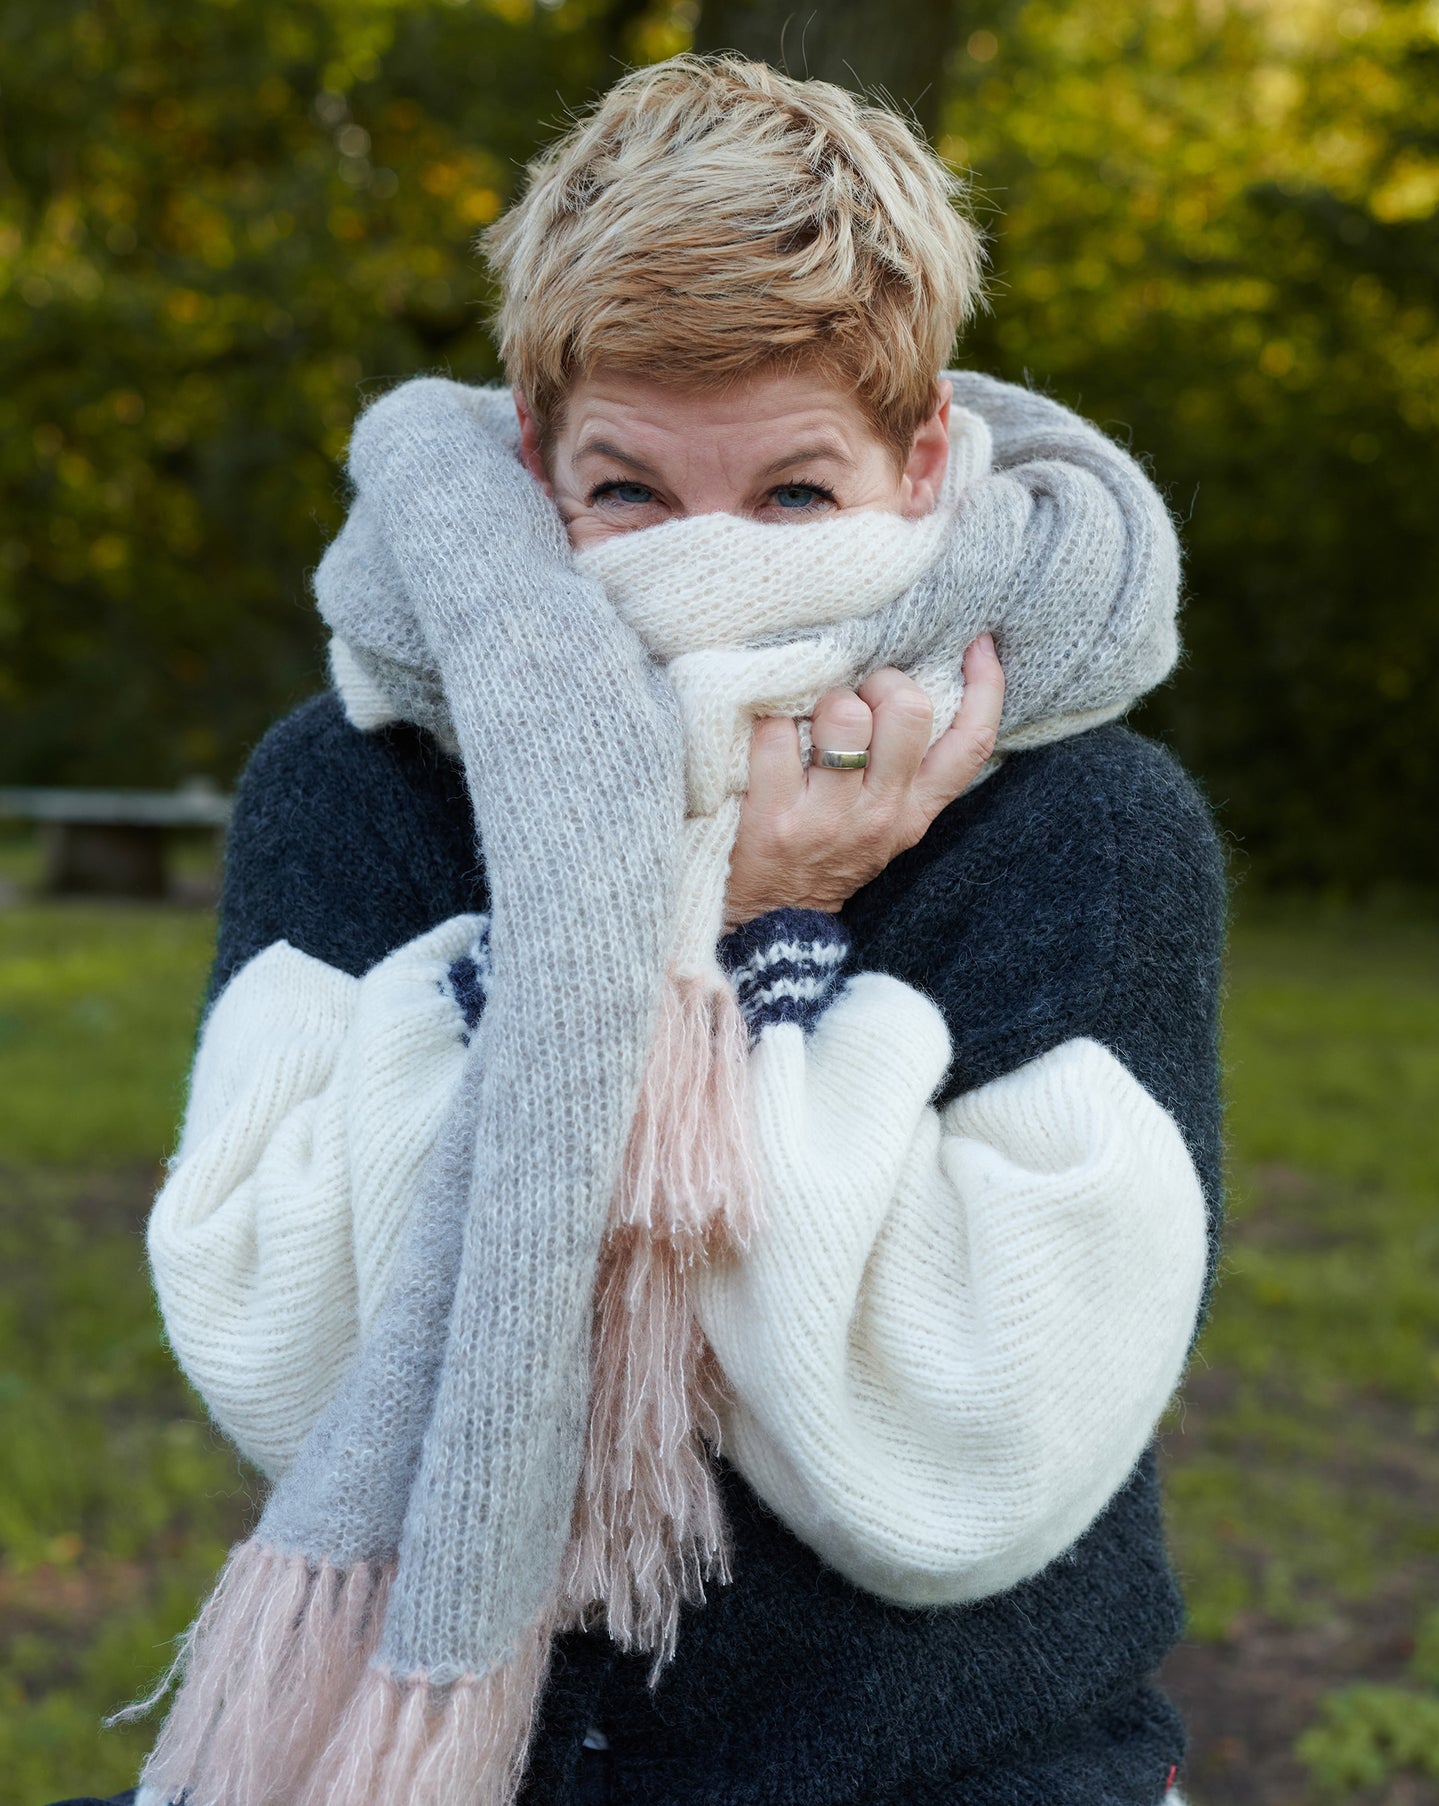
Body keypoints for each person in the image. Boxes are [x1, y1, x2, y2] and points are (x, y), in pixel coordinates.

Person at [55, 53, 1222, 1806]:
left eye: (793, 500)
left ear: (919, 462)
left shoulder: (1083, 821)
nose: (709, 569)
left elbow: (976, 1445)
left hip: (961, 1768)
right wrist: (718, 909)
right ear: (533, 457)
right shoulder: (364, 775)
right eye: (628, 495)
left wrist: (734, 970)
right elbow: (283, 1336)